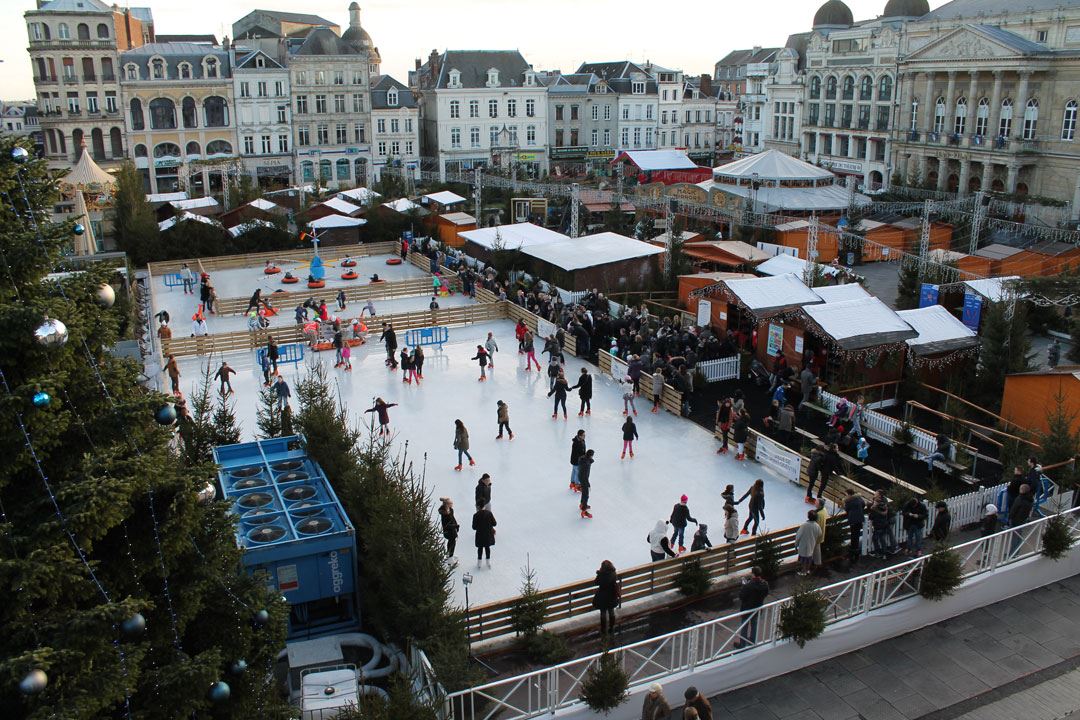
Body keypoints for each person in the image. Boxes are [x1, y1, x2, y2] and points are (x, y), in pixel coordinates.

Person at [735, 566, 770, 648]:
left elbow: (741, 596)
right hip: (757, 608)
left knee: (744, 626)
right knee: (754, 625)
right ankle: (752, 641)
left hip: (747, 609)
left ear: (753, 574)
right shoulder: (764, 584)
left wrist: (743, 586)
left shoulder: (748, 586)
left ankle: (742, 644)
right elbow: (766, 593)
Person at [592, 560, 619, 636]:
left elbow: (596, 582)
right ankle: (611, 627)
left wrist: (599, 573)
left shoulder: (602, 575)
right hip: (612, 596)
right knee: (611, 611)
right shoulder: (613, 573)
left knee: (603, 612)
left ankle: (603, 629)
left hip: (602, 597)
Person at [795, 509, 823, 576]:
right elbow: (820, 534)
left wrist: (796, 544)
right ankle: (807, 570)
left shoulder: (804, 525)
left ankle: (803, 572)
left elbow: (798, 536)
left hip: (803, 546)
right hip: (811, 545)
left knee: (803, 560)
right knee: (809, 558)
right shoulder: (817, 526)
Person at [1009, 483, 1034, 554]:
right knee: (1019, 536)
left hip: (1015, 520)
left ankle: (1013, 553)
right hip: (1022, 520)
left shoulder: (1020, 499)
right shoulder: (1030, 499)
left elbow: (1014, 509)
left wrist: (1010, 518)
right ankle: (1016, 552)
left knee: (1015, 538)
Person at [844, 489, 866, 563]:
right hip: (860, 519)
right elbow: (863, 504)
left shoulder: (848, 501)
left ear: (849, 494)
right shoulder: (859, 498)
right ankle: (855, 550)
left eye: (846, 494)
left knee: (854, 535)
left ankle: (854, 551)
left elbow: (847, 509)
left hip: (853, 519)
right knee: (856, 534)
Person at [472, 502, 497, 568]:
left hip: (480, 534)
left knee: (480, 548)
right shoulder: (489, 513)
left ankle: (479, 563)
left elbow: (474, 527)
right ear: (484, 506)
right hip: (488, 534)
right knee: (487, 547)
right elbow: (494, 523)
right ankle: (488, 562)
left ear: (478, 507)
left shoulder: (475, 515)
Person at [869, 492, 892, 558]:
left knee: (875, 539)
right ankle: (884, 553)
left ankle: (878, 552)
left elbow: (871, 517)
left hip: (878, 525)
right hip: (884, 524)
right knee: (882, 539)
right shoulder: (884, 505)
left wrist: (873, 508)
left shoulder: (875, 508)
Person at [578, 449, 595, 518]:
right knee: (586, 495)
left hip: (581, 477)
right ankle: (584, 511)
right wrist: (588, 483)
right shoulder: (586, 464)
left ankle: (582, 504)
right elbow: (585, 474)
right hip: (584, 479)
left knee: (584, 493)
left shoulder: (582, 459)